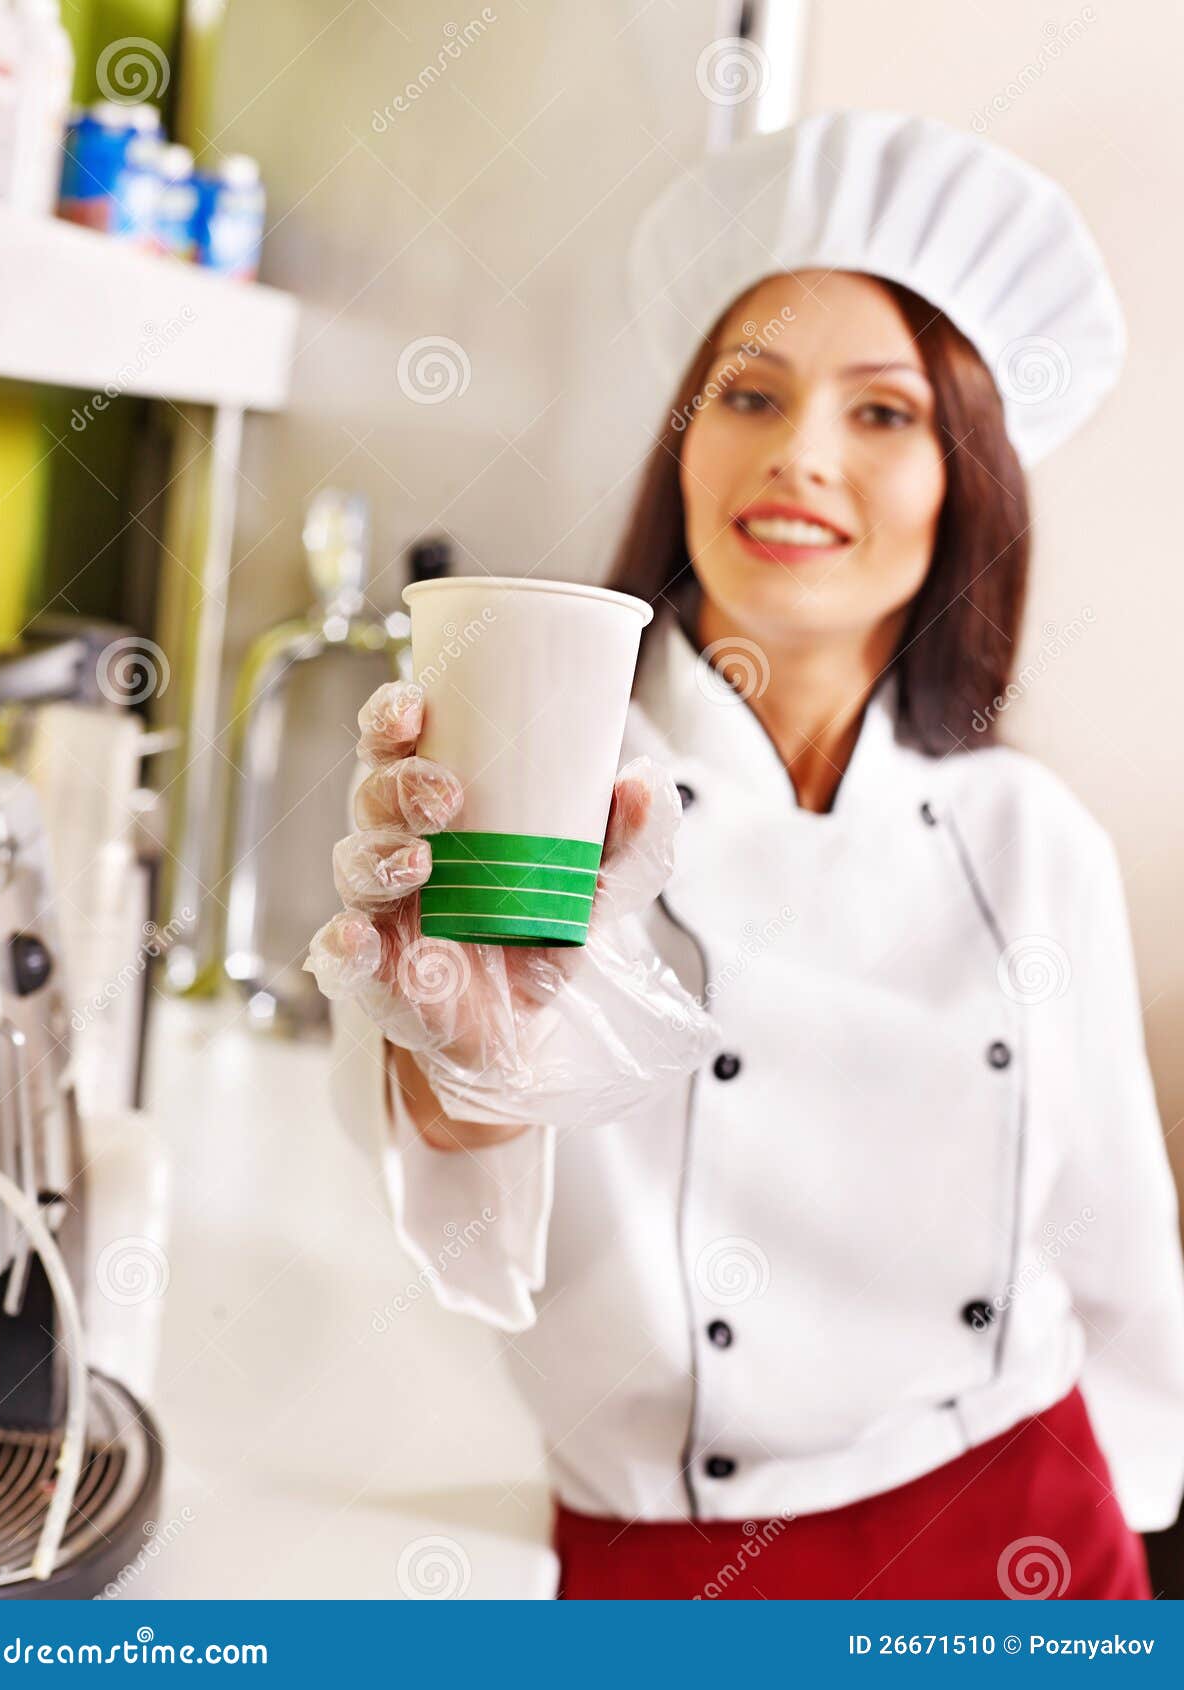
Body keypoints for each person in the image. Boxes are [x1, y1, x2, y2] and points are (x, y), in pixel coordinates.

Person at [309, 111, 1184, 1600]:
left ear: (967, 476)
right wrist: (457, 1058)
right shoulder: (546, 789)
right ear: (687, 438)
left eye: (884, 414)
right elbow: (447, 1104)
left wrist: (1129, 1522)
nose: (799, 456)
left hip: (1026, 1518)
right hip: (674, 1560)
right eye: (751, 392)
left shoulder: (1034, 842)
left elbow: (1115, 1258)